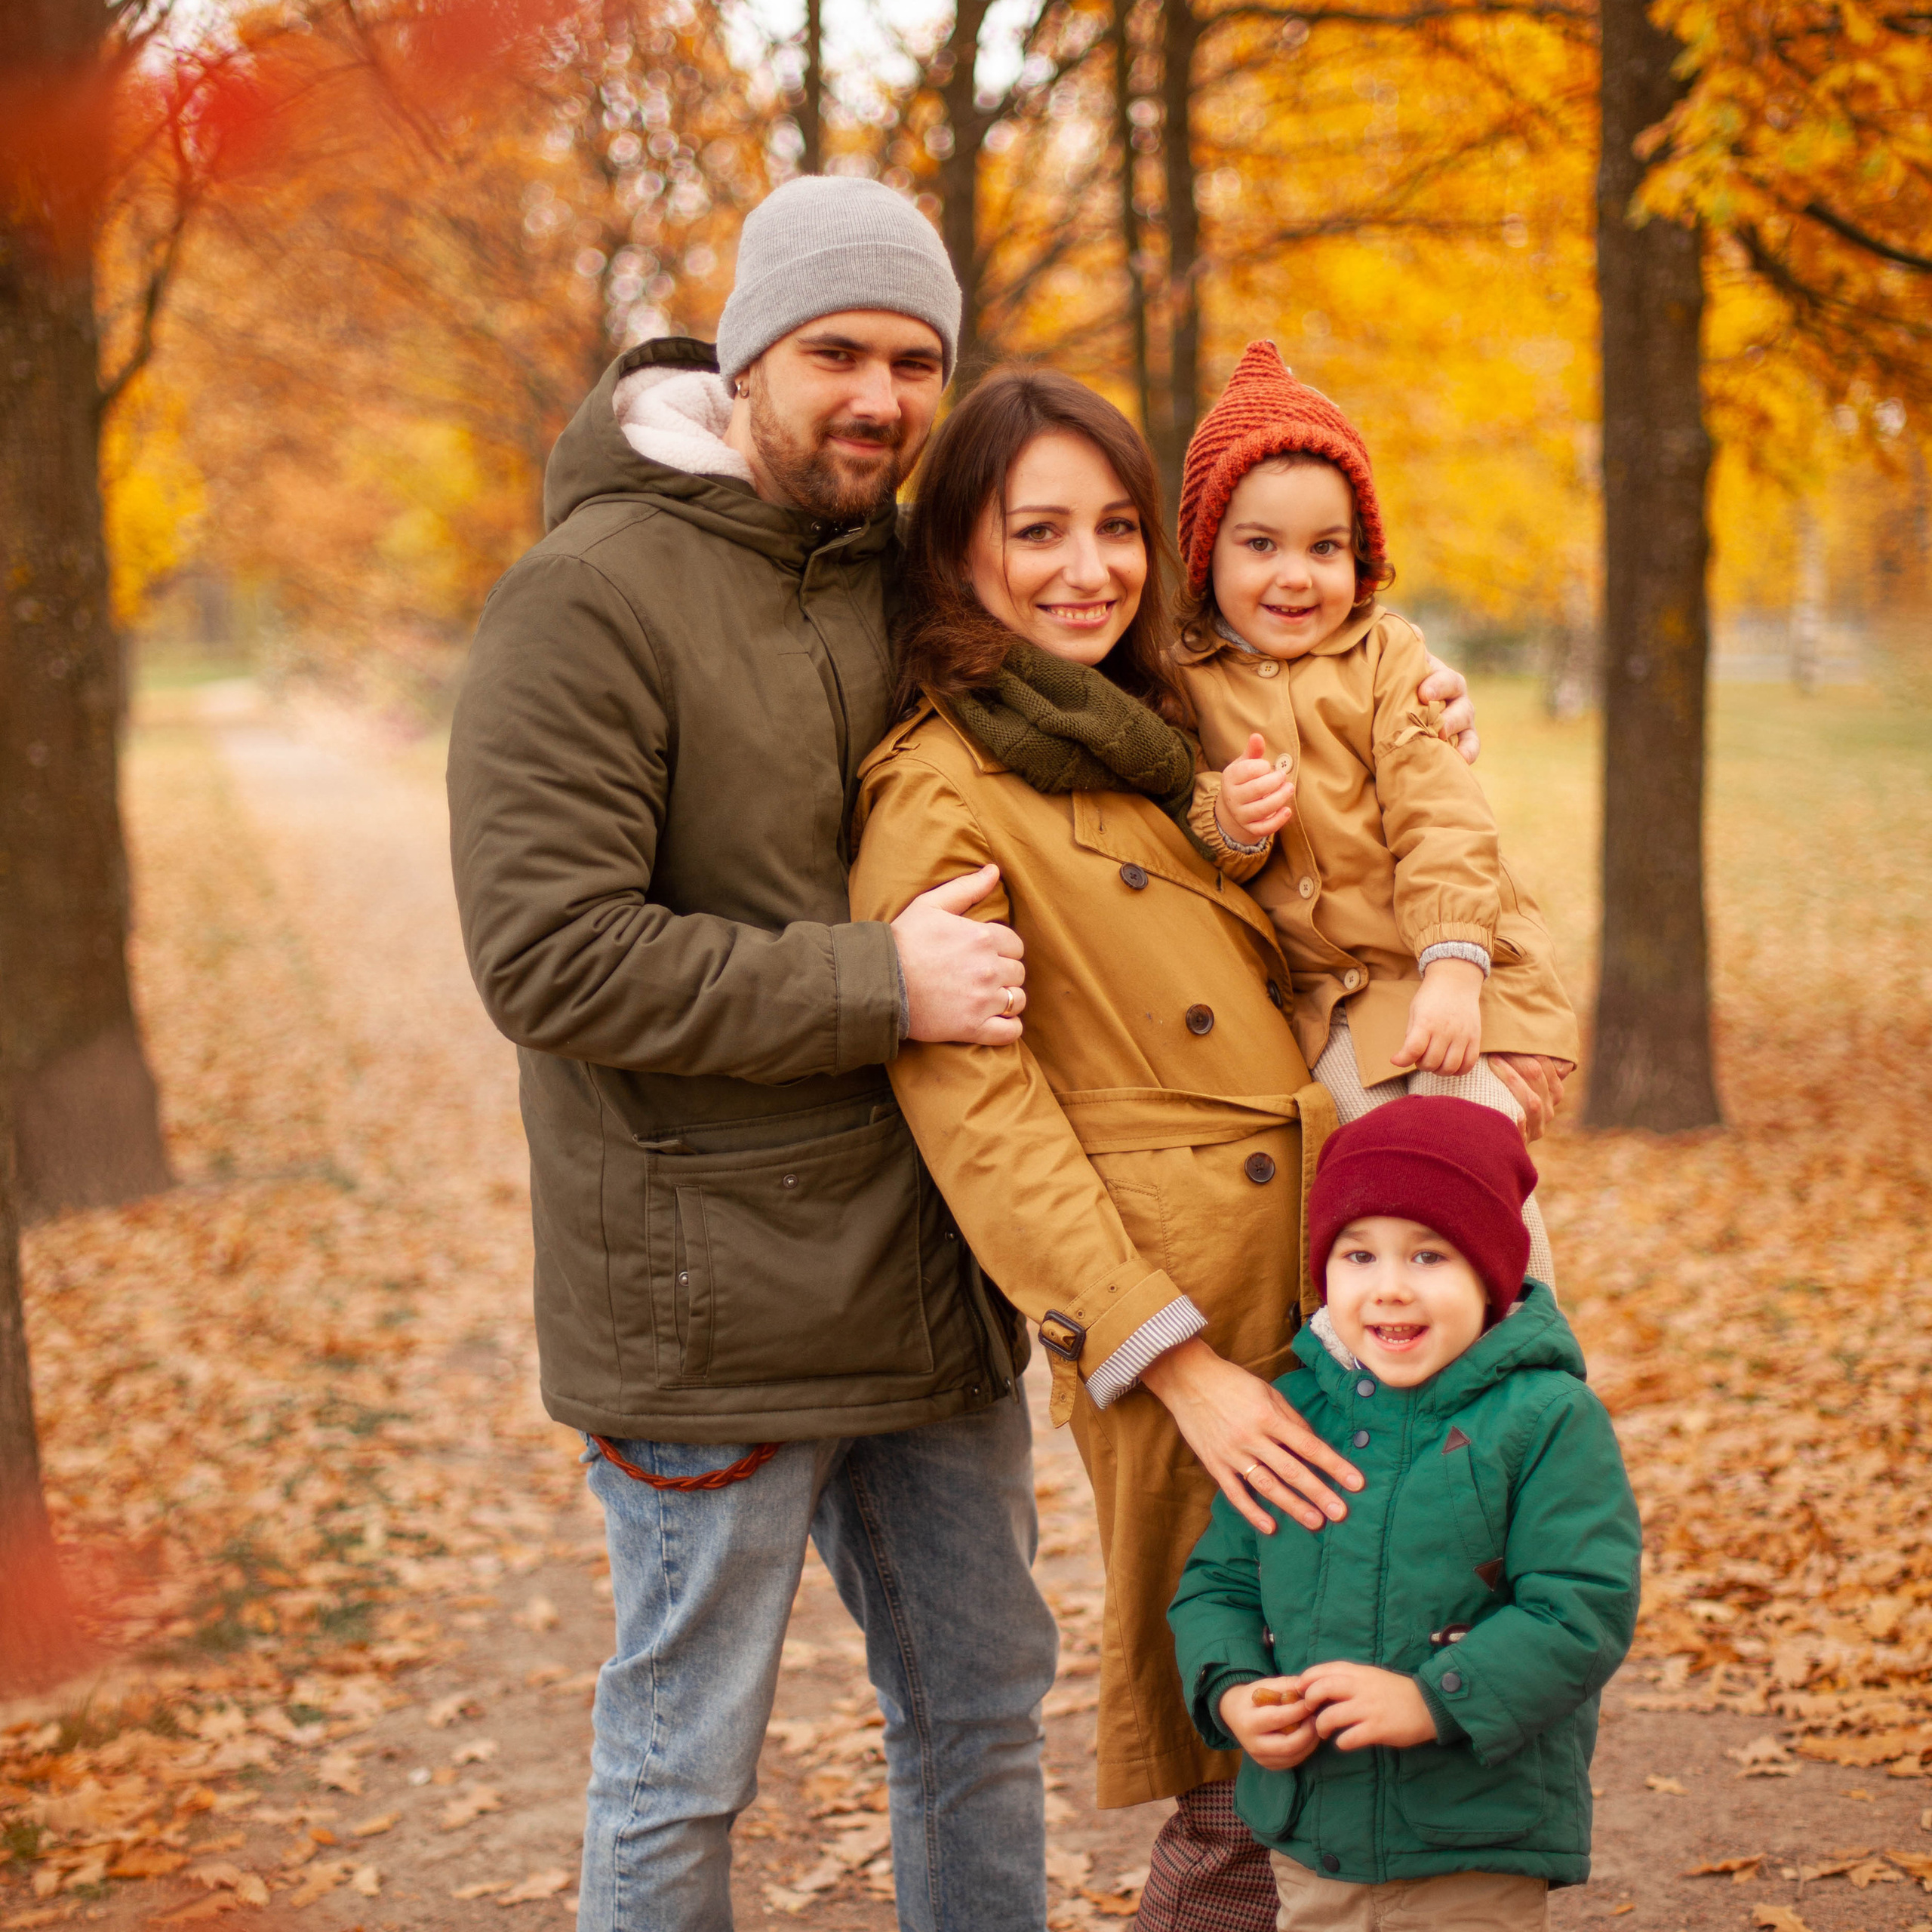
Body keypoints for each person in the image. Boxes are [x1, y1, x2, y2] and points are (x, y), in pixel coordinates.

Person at [448, 174, 1482, 1928]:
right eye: (836, 352)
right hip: (710, 1299)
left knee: (979, 1718)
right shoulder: (589, 596)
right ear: (747, 352)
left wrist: (1389, 696)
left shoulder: (895, 564)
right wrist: (879, 982)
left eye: (913, 359)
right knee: (683, 1760)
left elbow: (1147, 671)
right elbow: (548, 952)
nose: (878, 395)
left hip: (927, 1278)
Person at [847, 367, 1475, 1932]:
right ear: (958, 550)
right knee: (1243, 1765)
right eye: (1037, 530)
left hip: (1318, 1267)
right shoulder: (941, 782)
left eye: (1118, 527)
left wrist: (1415, 695)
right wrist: (1171, 1361)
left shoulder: (1152, 732)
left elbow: (1343, 825)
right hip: (1185, 1310)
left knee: (1341, 1725)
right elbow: (981, 1119)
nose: (1089, 568)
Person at [1169, 1096, 1641, 1932]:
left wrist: (1434, 1700)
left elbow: (1581, 1608)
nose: (1389, 1287)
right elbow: (1218, 1586)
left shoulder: (1544, 1419)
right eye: (1358, 1255)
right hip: (1314, 1841)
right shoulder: (1294, 1417)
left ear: (1489, 1271)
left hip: (1472, 1842)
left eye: (1428, 1255)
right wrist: (1235, 1690)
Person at [1173, 341, 1577, 1284]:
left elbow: (1442, 817)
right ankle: (1393, 1365)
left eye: (1325, 548)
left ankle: (1526, 1359)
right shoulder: (1180, 681)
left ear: (1360, 557)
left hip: (1425, 984)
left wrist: (1455, 971)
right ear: (1206, 552)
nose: (1295, 576)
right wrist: (1226, 819)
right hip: (1322, 1021)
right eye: (1260, 545)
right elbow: (1173, 818)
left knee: (1480, 1199)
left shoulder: (1385, 658)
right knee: (1368, 1214)